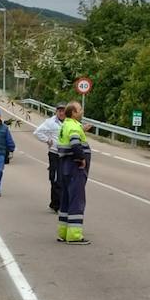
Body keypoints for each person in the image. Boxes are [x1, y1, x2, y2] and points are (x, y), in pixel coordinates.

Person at [56, 101, 92, 244]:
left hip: (65, 165)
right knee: (77, 199)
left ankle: (63, 233)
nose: (82, 111)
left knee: (65, 199)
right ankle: (75, 235)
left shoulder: (66, 124)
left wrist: (82, 130)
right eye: (80, 109)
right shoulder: (73, 126)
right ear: (74, 113)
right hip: (75, 166)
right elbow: (75, 144)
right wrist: (81, 158)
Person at [33, 104, 68, 212]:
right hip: (54, 153)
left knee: (64, 179)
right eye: (60, 111)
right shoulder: (50, 122)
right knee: (55, 179)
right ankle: (55, 204)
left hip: (66, 155)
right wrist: (48, 140)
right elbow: (37, 132)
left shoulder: (70, 122)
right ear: (56, 112)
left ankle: (60, 204)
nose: (62, 113)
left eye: (63, 111)